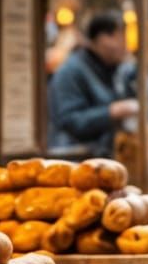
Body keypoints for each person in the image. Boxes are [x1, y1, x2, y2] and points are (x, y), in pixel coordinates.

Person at [49, 10, 137, 155]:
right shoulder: (70, 72)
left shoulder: (117, 70)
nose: (126, 46)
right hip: (75, 160)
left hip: (105, 159)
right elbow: (68, 122)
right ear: (102, 38)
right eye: (121, 37)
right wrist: (112, 111)